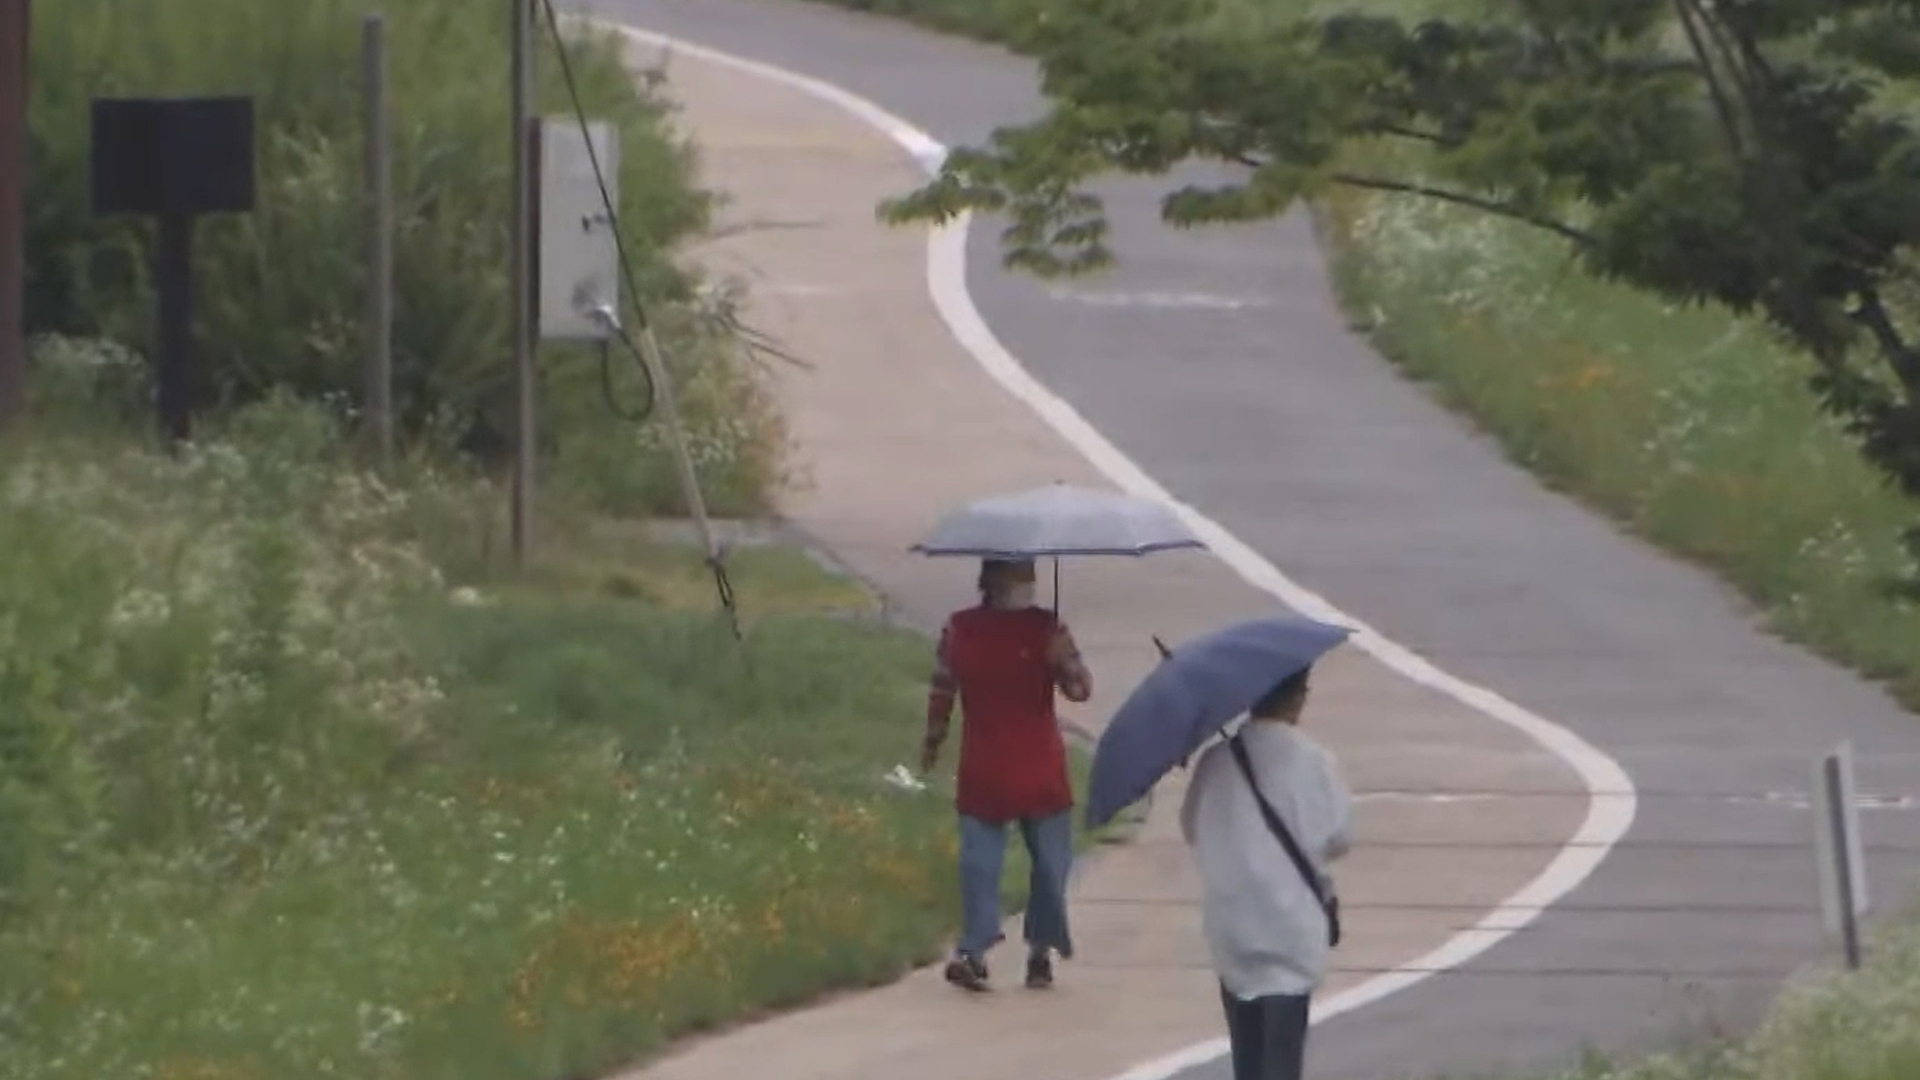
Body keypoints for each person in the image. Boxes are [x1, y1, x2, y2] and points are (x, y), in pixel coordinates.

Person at [921, 556, 1092, 992]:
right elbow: (943, 687)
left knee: (1051, 867)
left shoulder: (1048, 630)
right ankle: (973, 951)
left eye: (1029, 575)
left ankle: (1040, 948)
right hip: (987, 765)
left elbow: (1081, 689)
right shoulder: (960, 630)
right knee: (979, 866)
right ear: (991, 581)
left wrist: (1063, 661)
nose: (1026, 584)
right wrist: (933, 738)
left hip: (1039, 765)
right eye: (1018, 576)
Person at [1179, 665, 1353, 1080]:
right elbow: (1341, 837)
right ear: (1298, 697)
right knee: (1283, 1059)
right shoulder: (1314, 761)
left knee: (1248, 1055)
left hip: (1233, 928)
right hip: (1290, 931)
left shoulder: (1216, 762)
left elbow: (1191, 826)